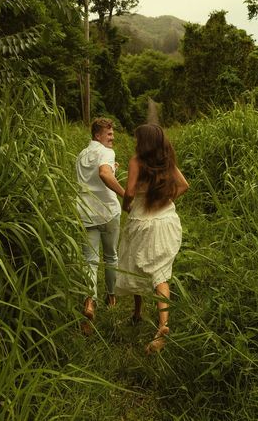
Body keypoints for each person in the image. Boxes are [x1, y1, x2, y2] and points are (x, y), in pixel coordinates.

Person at [115, 123, 189, 353]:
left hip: (142, 222)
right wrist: (167, 201)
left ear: (143, 141)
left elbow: (128, 192)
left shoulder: (136, 161)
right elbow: (184, 185)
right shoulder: (166, 161)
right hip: (166, 221)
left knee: (134, 265)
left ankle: (137, 312)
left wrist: (127, 206)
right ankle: (163, 324)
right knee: (160, 275)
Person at [76, 117, 125, 326]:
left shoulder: (82, 155)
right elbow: (103, 173)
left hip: (86, 213)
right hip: (108, 212)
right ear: (98, 135)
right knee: (111, 257)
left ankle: (89, 302)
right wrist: (125, 195)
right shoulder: (106, 152)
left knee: (90, 261)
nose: (112, 138)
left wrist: (112, 167)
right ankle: (112, 298)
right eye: (109, 134)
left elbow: (95, 174)